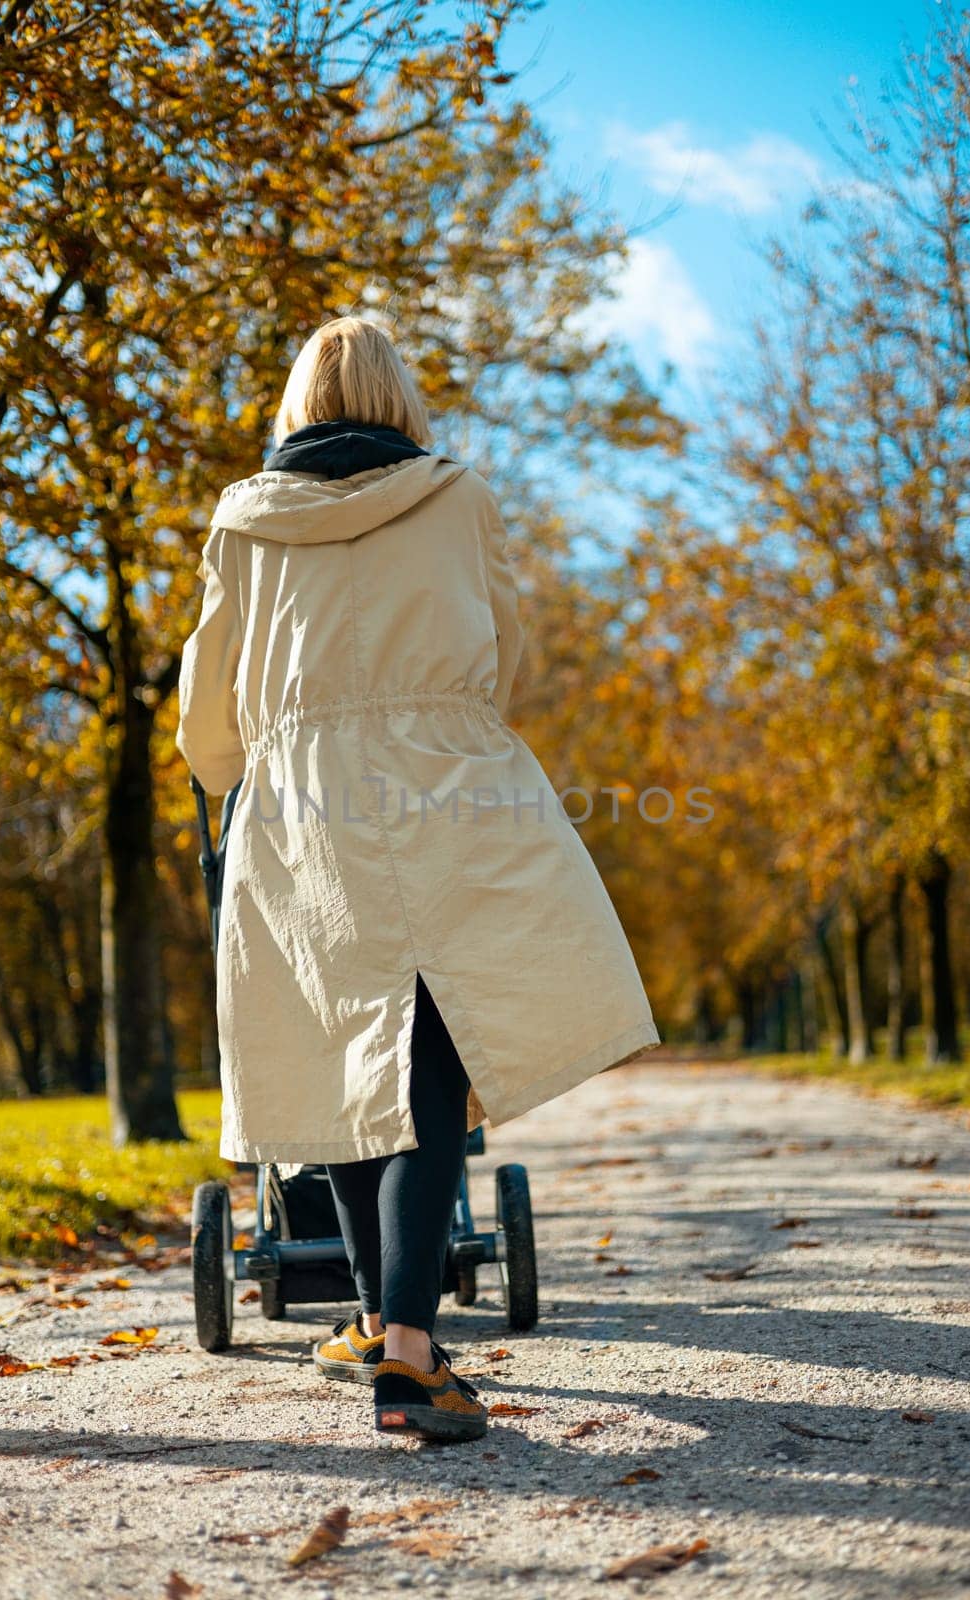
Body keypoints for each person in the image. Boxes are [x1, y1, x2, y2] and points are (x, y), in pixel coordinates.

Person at [175, 315, 660, 1444]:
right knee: (428, 1062)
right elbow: (512, 650)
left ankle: (378, 1322)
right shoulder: (455, 496)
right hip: (444, 787)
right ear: (399, 396)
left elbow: (209, 702)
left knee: (343, 1051)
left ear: (296, 403)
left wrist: (227, 765)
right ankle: (404, 1351)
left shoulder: (242, 523)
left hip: (302, 807)